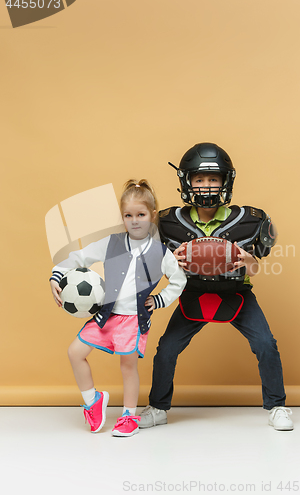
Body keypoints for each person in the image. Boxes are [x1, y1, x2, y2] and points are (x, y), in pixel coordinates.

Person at [139, 143, 293, 431]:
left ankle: (277, 406)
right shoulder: (168, 222)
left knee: (265, 345)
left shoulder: (250, 221)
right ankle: (158, 406)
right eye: (199, 180)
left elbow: (256, 269)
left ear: (225, 181)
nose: (206, 186)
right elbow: (151, 268)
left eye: (213, 179)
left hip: (236, 294)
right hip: (192, 293)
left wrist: (248, 259)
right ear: (187, 182)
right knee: (166, 349)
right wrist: (171, 260)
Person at [50, 180, 186, 437]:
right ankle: (93, 401)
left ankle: (128, 416)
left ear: (152, 215)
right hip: (106, 316)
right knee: (75, 352)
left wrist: (159, 300)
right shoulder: (111, 243)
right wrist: (56, 275)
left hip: (134, 320)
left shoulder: (161, 252)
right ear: (122, 217)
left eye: (141, 215)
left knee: (127, 366)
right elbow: (78, 257)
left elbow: (179, 281)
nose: (135, 221)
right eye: (128, 215)